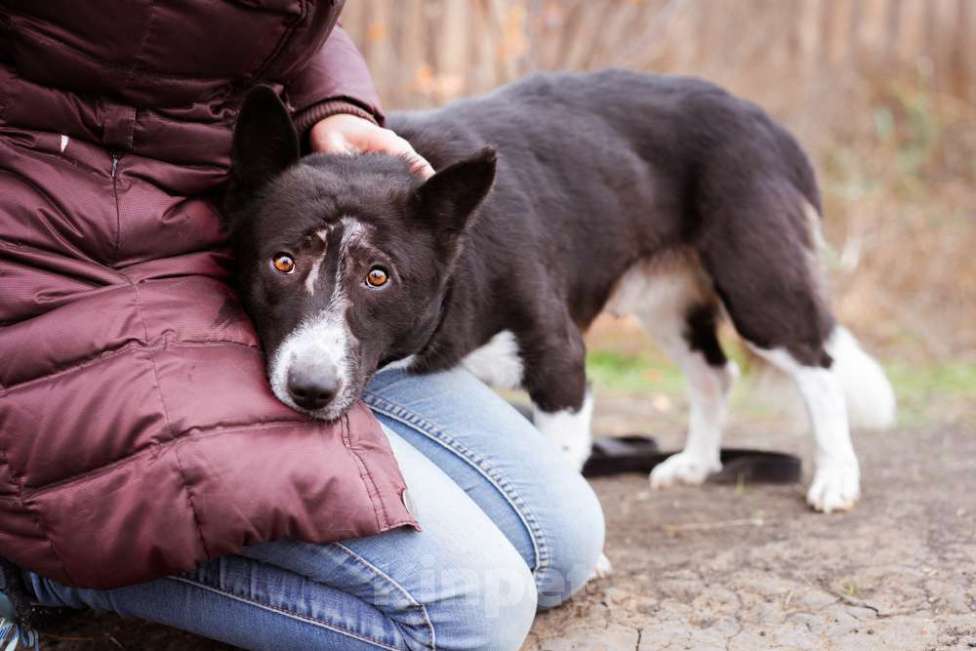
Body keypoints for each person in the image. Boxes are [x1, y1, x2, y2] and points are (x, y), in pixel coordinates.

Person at [0, 2, 604, 650]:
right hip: (68, 267)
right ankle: (43, 570)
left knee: (561, 548)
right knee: (474, 615)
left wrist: (330, 102)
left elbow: (274, 16)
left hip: (224, 234)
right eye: (292, 265)